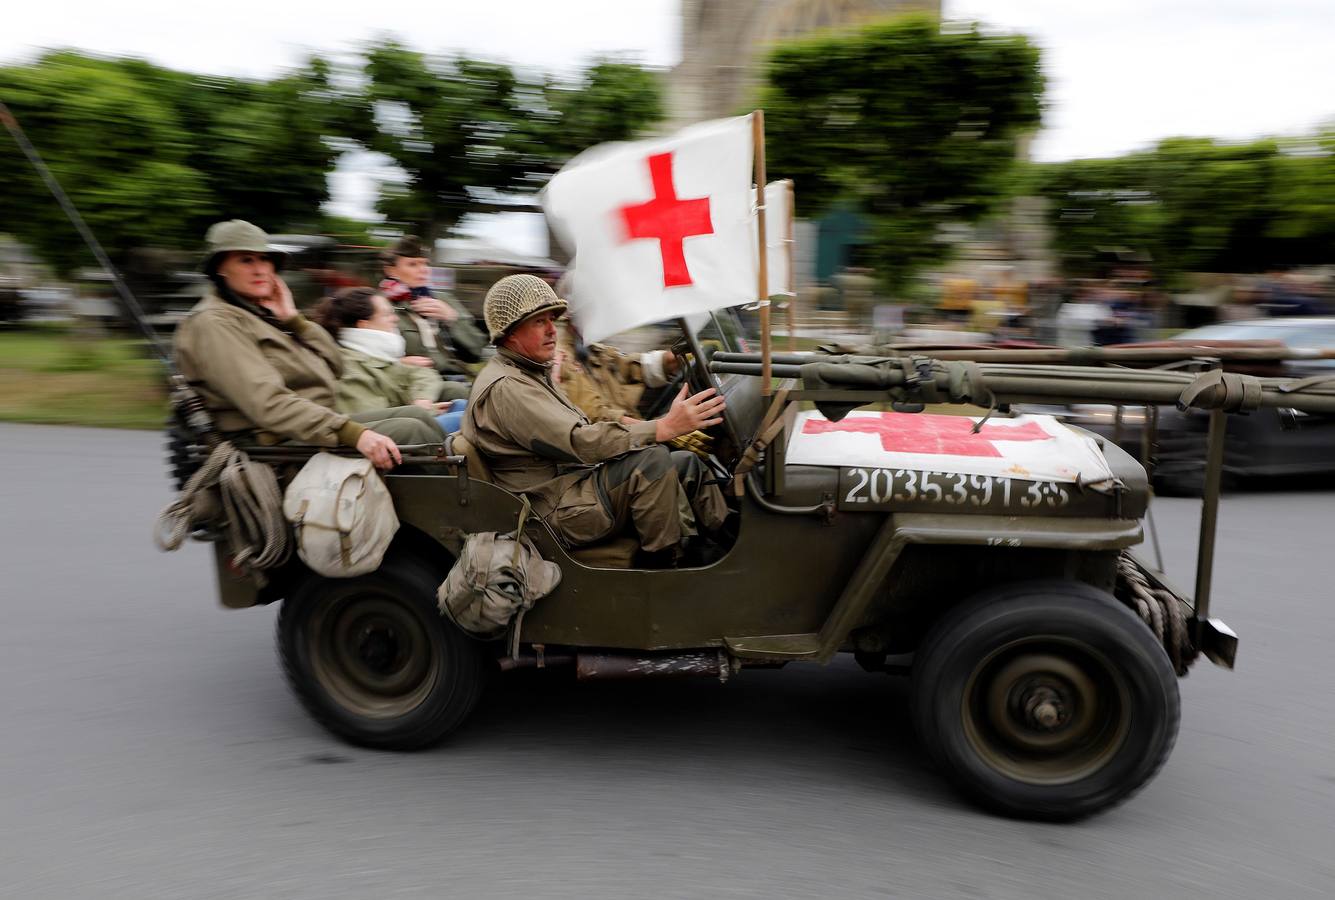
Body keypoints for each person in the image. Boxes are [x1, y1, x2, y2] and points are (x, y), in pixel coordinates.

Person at [462, 274, 730, 560]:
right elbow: (581, 441)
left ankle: (729, 546)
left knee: (686, 463)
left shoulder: (532, 371)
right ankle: (666, 565)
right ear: (510, 332)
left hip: (571, 486)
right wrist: (662, 428)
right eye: (540, 322)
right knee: (652, 461)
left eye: (552, 320)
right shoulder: (510, 387)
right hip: (551, 509)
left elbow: (626, 371)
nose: (552, 330)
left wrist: (670, 368)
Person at [174, 220, 442, 470]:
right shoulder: (216, 323)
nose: (260, 269)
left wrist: (294, 320)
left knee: (419, 416)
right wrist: (352, 433)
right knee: (413, 430)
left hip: (312, 425)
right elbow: (268, 403)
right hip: (274, 444)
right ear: (220, 269)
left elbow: (335, 365)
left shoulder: (262, 315)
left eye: (264, 259)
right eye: (246, 260)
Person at [312, 286, 464, 434]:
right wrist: (427, 410)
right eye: (387, 314)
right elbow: (375, 417)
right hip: (391, 433)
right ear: (364, 324)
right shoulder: (348, 366)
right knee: (467, 418)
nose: (395, 319)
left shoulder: (374, 353)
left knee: (461, 404)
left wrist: (422, 399)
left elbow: (423, 373)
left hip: (408, 420)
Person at [379, 235, 486, 401]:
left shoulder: (443, 300)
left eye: (425, 263)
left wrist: (452, 319)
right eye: (413, 264)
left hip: (456, 379)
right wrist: (398, 363)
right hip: (413, 384)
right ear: (391, 271)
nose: (423, 269)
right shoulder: (380, 305)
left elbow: (477, 351)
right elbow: (368, 357)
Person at [553, 321, 678, 424]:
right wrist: (656, 428)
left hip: (630, 433)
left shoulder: (593, 350)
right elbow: (594, 416)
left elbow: (629, 366)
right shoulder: (560, 361)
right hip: (612, 440)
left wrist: (669, 360)